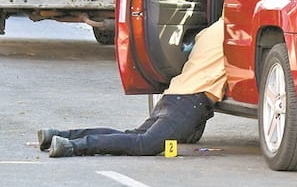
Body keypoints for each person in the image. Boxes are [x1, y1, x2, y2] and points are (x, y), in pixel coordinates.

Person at [38, 19, 227, 158]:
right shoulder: (233, 35)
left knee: (133, 135)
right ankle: (72, 146)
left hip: (174, 94)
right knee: (144, 145)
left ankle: (58, 135)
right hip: (192, 101)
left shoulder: (211, 30)